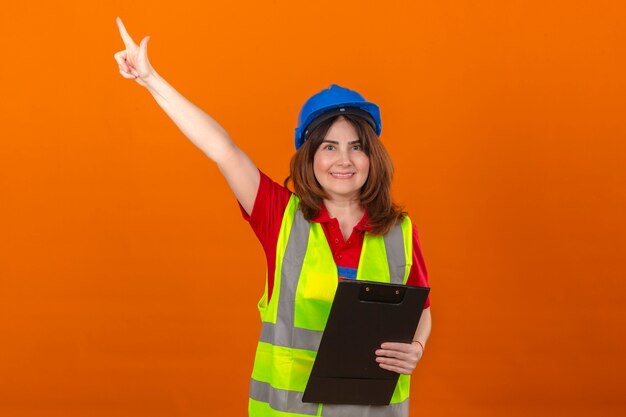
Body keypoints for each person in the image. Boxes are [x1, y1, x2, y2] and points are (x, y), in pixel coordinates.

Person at [114, 16, 431, 417]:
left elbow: (422, 310)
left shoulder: (399, 232)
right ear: (310, 157)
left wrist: (416, 348)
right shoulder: (279, 216)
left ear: (372, 157)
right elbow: (222, 148)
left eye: (356, 147)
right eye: (329, 147)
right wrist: (150, 79)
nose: (344, 160)